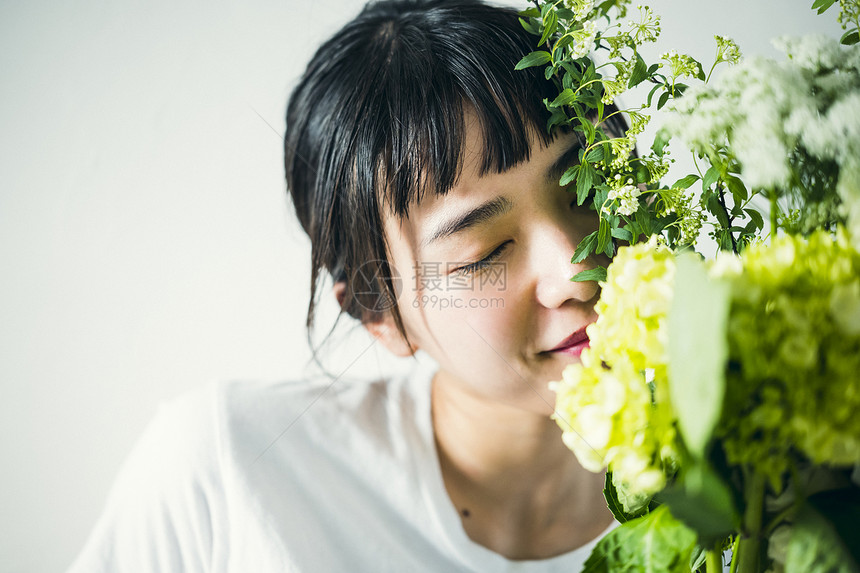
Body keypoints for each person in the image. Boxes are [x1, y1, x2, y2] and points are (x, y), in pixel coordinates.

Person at [68, 1, 619, 571]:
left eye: (589, 189)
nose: (578, 271)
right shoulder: (230, 470)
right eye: (485, 253)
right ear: (379, 314)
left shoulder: (712, 486)